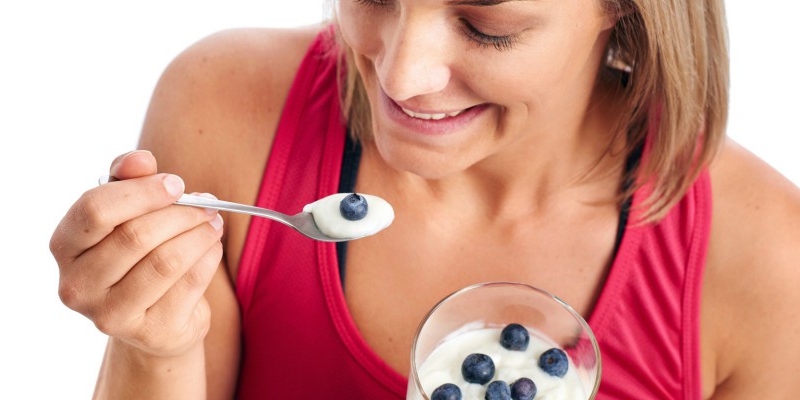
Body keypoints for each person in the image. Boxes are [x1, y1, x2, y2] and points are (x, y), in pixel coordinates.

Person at [49, 0, 800, 398]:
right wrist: (156, 345)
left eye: (486, 25)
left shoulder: (766, 260)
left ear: (623, 7)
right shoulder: (224, 109)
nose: (401, 76)